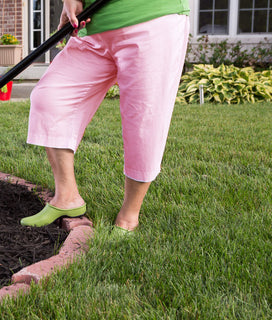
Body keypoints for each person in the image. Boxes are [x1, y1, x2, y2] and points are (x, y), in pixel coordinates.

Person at [20, 0, 190, 234]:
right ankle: (67, 197)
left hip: (152, 19)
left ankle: (129, 216)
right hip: (94, 25)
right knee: (50, 98)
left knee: (143, 121)